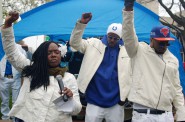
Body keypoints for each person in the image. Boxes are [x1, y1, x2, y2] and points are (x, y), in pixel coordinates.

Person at [1, 11, 82, 122]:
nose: (53, 55)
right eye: (49, 53)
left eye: (56, 52)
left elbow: (76, 110)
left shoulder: (69, 78)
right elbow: (12, 52)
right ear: (42, 55)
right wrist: (8, 25)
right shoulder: (32, 70)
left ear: (61, 55)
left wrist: (70, 98)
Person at [122, 0, 185, 121]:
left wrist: (182, 115)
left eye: (166, 42)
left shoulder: (172, 59)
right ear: (152, 39)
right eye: (160, 41)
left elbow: (176, 88)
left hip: (166, 115)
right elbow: (128, 35)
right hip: (143, 114)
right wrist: (128, 10)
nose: (164, 45)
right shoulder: (139, 50)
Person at [69, 12, 131, 122]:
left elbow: (131, 74)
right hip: (94, 100)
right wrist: (81, 24)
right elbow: (74, 43)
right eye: (110, 36)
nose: (112, 40)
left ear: (120, 38)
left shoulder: (126, 51)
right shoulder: (93, 44)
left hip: (116, 102)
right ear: (106, 34)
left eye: (116, 38)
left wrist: (125, 96)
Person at [0, 44, 27, 120]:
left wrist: (22, 72)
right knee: (4, 99)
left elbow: (24, 60)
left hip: (16, 77)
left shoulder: (19, 47)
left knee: (16, 99)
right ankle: (5, 116)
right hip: (3, 77)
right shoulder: (0, 47)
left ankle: (14, 116)